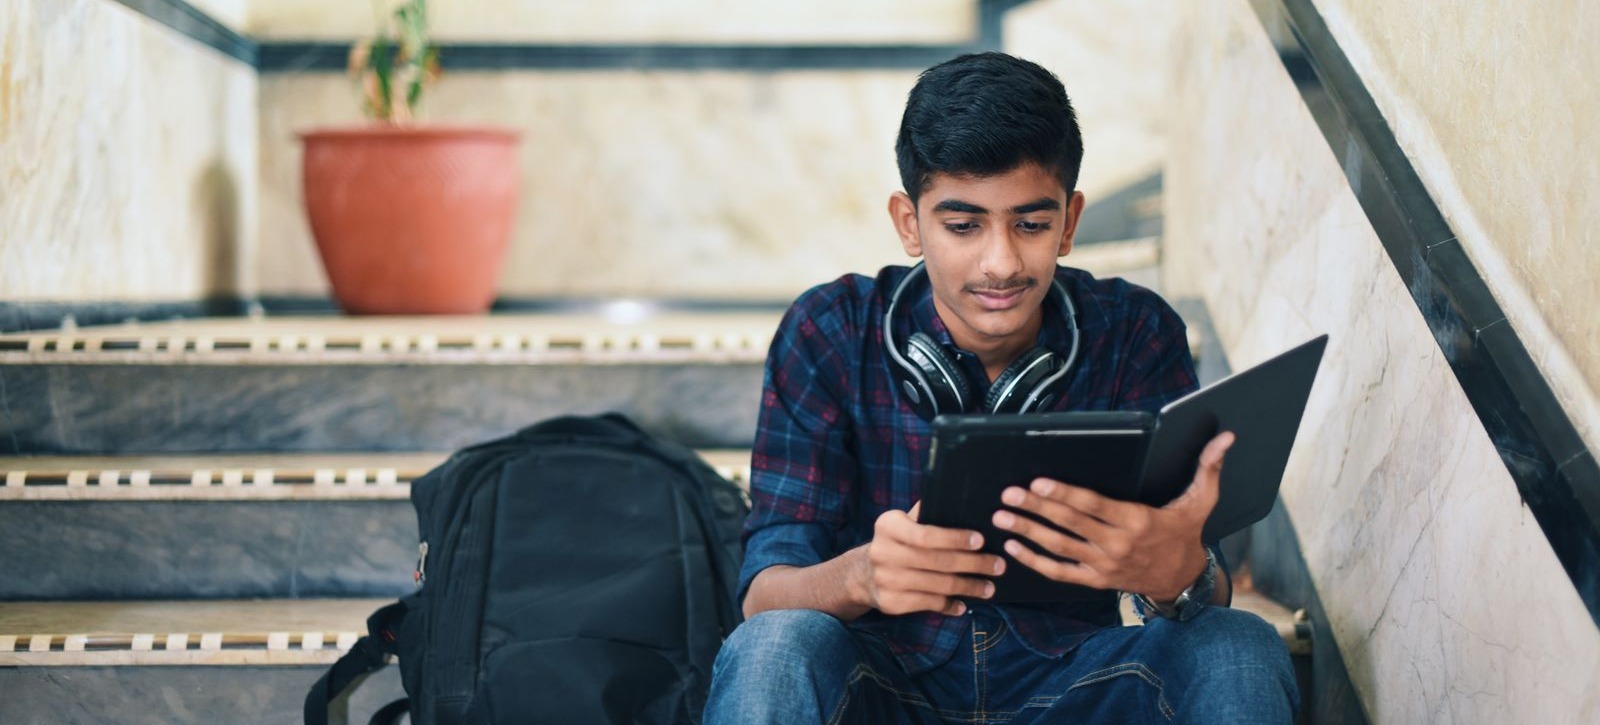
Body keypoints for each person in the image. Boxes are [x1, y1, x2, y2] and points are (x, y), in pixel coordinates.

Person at [703, 53, 1299, 724]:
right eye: (962, 226)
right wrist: (861, 574)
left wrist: (1179, 575)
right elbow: (763, 598)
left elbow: (1206, 587)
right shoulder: (831, 331)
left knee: (1240, 643)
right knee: (774, 645)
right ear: (909, 222)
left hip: (1074, 685)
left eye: (1032, 224)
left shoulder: (1135, 332)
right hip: (884, 684)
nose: (1001, 263)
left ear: (1070, 222)